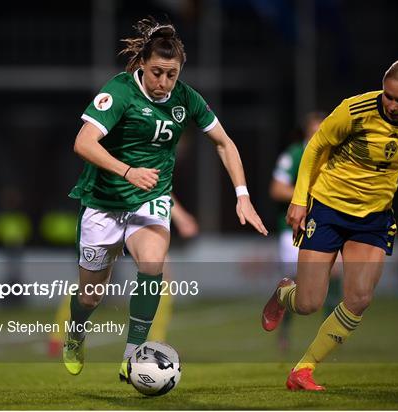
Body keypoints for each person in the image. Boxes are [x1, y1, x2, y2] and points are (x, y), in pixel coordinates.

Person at [63, 17, 267, 380]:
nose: (163, 82)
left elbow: (224, 142)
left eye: (171, 74)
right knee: (90, 297)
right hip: (104, 201)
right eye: (157, 72)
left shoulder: (187, 99)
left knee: (153, 263)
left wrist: (243, 195)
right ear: (142, 64)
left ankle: (132, 357)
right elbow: (83, 143)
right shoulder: (120, 90)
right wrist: (127, 171)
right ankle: (76, 332)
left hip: (150, 199)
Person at [262, 49, 398, 390]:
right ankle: (284, 292)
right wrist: (301, 200)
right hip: (329, 209)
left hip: (374, 218)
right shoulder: (355, 109)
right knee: (309, 303)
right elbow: (315, 147)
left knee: (359, 298)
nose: (391, 105)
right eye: (388, 96)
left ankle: (303, 371)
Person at [47, 194, 198, 357]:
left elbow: (157, 180)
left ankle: (154, 343)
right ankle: (62, 335)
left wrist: (179, 215)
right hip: (108, 210)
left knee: (161, 276)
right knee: (89, 288)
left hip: (142, 212)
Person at [269, 112, 343, 352]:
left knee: (334, 276)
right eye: (314, 131)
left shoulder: (336, 156)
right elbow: (277, 189)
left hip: (326, 226)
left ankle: (328, 337)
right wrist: (309, 195)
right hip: (293, 228)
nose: (318, 136)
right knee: (297, 281)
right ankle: (284, 332)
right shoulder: (294, 155)